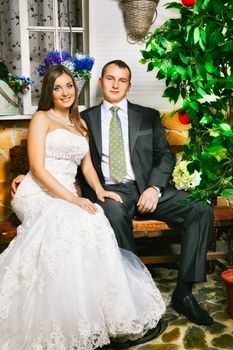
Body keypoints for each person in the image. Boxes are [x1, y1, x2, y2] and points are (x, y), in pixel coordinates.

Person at [11, 59, 214, 326]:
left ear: (129, 86)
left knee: (201, 207)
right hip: (109, 190)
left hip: (147, 188)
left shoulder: (148, 116)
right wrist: (26, 174)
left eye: (122, 80)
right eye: (110, 78)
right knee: (113, 213)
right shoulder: (84, 119)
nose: (115, 84)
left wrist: (154, 188)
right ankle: (130, 292)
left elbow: (165, 158)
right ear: (99, 82)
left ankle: (184, 292)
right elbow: (54, 154)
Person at [1, 64, 167, 349]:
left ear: (75, 89)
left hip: (64, 193)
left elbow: (87, 166)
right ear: (49, 92)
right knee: (70, 219)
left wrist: (101, 192)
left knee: (93, 218)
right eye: (57, 87)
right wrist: (73, 198)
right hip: (37, 193)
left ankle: (98, 311)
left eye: (69, 86)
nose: (65, 92)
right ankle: (62, 314)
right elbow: (38, 169)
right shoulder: (42, 118)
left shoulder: (80, 123)